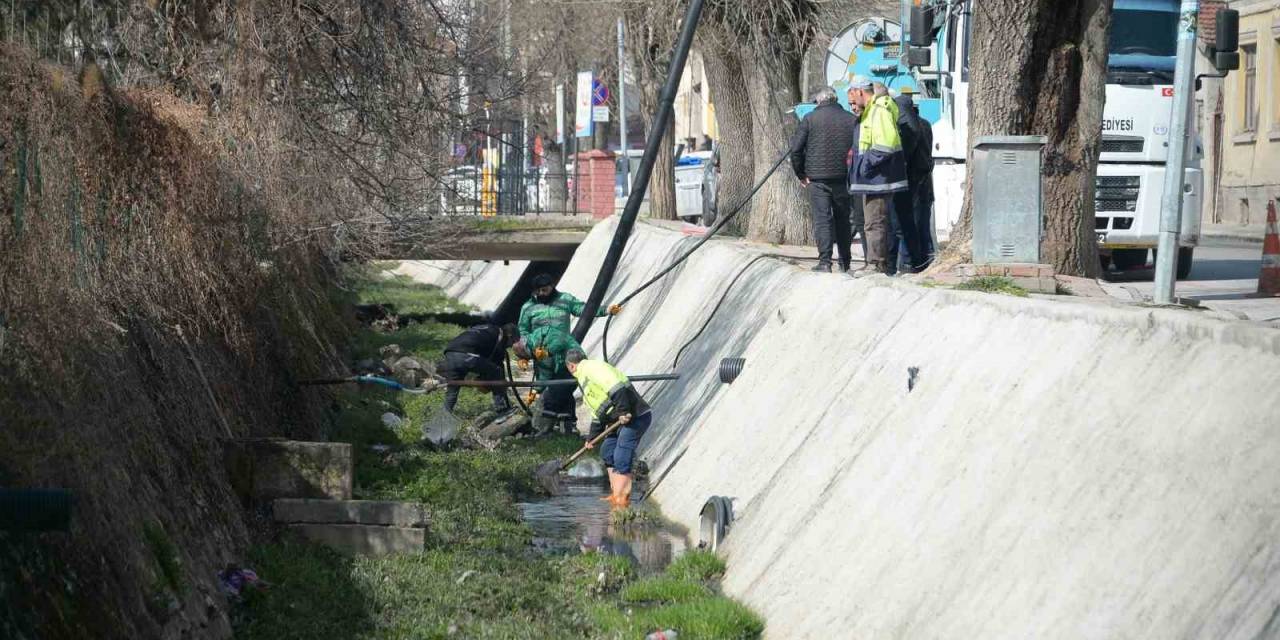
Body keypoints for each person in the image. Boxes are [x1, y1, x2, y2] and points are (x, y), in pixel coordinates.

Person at [518, 273, 621, 430]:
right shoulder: (528, 307)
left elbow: (583, 309)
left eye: (544, 290)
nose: (541, 294)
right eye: (537, 291)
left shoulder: (565, 300)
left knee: (567, 383)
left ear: (552, 286)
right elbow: (523, 330)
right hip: (542, 355)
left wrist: (606, 310)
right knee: (547, 385)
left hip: (564, 351)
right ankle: (547, 426)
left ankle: (568, 424)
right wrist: (525, 353)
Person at [565, 349, 652, 508]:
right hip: (616, 421)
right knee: (607, 451)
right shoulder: (584, 378)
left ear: (570, 366)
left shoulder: (591, 368)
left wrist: (624, 411)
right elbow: (597, 413)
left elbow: (616, 387)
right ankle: (615, 494)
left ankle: (622, 499)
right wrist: (591, 438)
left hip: (635, 416)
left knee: (621, 454)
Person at [790, 87, 858, 273]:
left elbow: (795, 150)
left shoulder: (810, 119)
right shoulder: (851, 119)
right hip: (843, 178)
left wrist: (801, 174)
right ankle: (845, 262)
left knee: (823, 220)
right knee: (843, 220)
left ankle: (825, 262)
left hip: (817, 179)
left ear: (819, 101)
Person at [846, 76, 909, 274]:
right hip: (875, 177)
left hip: (877, 178)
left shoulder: (879, 110)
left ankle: (876, 264)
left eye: (853, 102)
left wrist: (866, 166)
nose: (852, 108)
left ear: (860, 92)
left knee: (874, 222)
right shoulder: (872, 110)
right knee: (875, 222)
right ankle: (878, 263)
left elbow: (885, 145)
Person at [512, 325, 584, 435]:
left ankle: (544, 430)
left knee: (551, 398)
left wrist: (548, 352)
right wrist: (536, 390)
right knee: (564, 395)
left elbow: (560, 342)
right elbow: (545, 371)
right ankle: (568, 429)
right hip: (563, 368)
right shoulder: (536, 341)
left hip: (574, 364)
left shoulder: (542, 341)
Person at [439, 322, 518, 415]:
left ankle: (441, 421)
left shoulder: (488, 329)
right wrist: (501, 384)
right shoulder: (498, 337)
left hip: (450, 354)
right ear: (509, 335)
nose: (511, 345)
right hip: (465, 354)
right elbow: (498, 366)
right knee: (496, 372)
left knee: (452, 391)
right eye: (512, 341)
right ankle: (503, 410)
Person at [889, 92, 925, 275]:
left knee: (900, 221)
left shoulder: (906, 121)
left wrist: (901, 160)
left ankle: (908, 262)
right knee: (908, 220)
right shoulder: (921, 123)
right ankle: (912, 261)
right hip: (916, 175)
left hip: (905, 175)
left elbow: (910, 141)